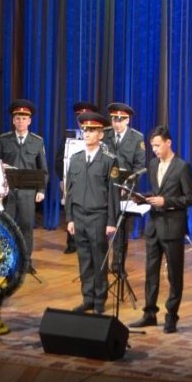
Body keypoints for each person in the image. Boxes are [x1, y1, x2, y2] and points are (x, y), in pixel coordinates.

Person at [129, 126, 192, 333]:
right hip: (154, 226)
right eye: (152, 146)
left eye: (158, 145)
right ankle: (149, 313)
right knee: (151, 272)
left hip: (173, 227)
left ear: (168, 143)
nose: (155, 150)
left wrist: (166, 201)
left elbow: (191, 198)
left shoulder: (182, 167)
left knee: (174, 275)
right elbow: (156, 192)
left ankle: (171, 316)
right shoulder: (152, 164)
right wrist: (143, 198)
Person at [64, 111, 119, 314]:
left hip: (98, 216)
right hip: (79, 215)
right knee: (84, 259)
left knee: (99, 259)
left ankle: (99, 299)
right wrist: (69, 218)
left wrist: (111, 221)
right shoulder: (76, 159)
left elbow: (113, 193)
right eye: (85, 130)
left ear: (100, 134)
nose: (86, 133)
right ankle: (87, 297)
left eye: (92, 130)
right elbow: (69, 191)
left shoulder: (109, 160)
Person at [0, 99, 48, 274]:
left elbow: (43, 169)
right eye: (17, 118)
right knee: (7, 226)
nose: (20, 121)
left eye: (24, 118)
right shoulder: (4, 140)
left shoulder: (37, 141)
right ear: (13, 120)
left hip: (27, 192)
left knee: (26, 226)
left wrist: (41, 190)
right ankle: (7, 260)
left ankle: (26, 261)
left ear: (29, 121)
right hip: (7, 192)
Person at [102, 102, 147, 274]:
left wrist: (127, 186)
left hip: (123, 190)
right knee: (102, 228)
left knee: (121, 231)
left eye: (121, 120)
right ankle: (102, 265)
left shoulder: (136, 138)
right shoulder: (104, 135)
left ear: (127, 120)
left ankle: (118, 265)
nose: (117, 123)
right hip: (104, 189)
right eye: (114, 119)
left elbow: (139, 167)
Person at [54, 101, 98, 254]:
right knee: (72, 209)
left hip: (92, 181)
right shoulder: (69, 135)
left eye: (86, 117)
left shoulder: (99, 136)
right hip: (72, 180)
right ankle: (72, 243)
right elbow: (59, 159)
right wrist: (62, 179)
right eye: (80, 117)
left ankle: (89, 241)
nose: (82, 121)